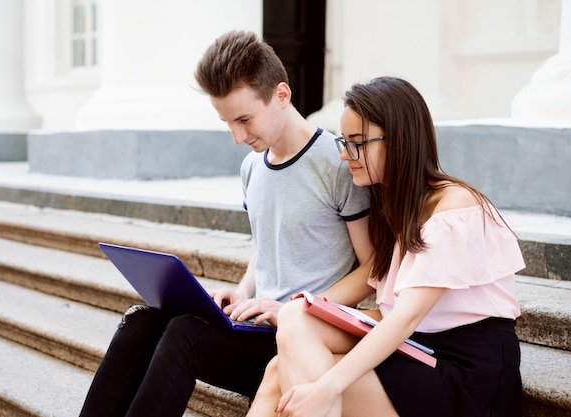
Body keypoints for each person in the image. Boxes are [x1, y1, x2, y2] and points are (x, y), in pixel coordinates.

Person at [78, 30, 373, 417]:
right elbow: (266, 246)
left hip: (297, 339)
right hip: (255, 326)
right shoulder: (253, 166)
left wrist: (297, 308)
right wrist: (242, 291)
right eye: (227, 122)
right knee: (142, 321)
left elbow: (372, 269)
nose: (237, 137)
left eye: (244, 119)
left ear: (281, 95)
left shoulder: (338, 164)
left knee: (185, 336)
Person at [247, 76, 525, 417]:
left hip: (465, 369)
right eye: (343, 142)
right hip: (417, 350)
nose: (344, 156)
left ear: (399, 142)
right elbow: (391, 315)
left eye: (357, 143)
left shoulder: (454, 206)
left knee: (304, 380)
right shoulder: (396, 207)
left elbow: (406, 318)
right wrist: (309, 309)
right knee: (293, 326)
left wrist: (327, 386)